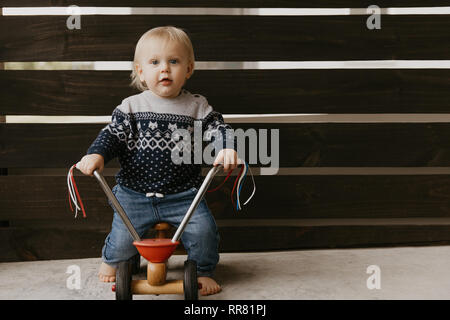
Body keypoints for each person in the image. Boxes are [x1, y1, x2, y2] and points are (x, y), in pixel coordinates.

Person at [76, 26, 238, 296]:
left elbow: (218, 129)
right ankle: (114, 260)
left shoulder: (197, 107)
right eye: (155, 63)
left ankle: (203, 270)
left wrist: (225, 148)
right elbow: (112, 135)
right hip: (134, 194)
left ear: (188, 69)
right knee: (121, 242)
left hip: (184, 194)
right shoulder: (131, 107)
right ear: (140, 71)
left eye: (173, 62)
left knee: (204, 233)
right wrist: (97, 154)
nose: (165, 69)